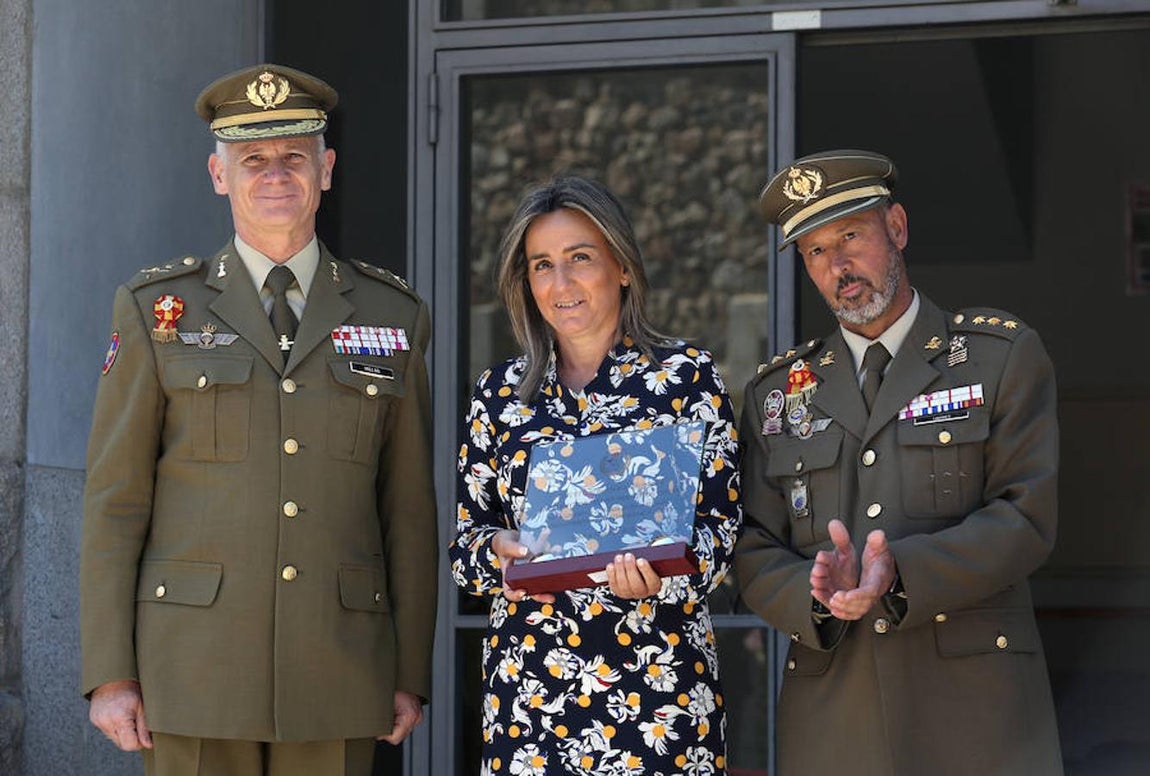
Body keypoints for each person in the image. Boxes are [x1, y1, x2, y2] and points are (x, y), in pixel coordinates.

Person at [79, 64, 437, 776]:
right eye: (252, 159)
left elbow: (408, 510)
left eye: (294, 157)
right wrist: (111, 672)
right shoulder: (158, 311)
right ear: (219, 175)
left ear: (326, 169)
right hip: (192, 669)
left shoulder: (392, 315)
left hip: (335, 666)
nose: (275, 173)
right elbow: (116, 501)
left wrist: (409, 669)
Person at [735, 149, 1063, 775]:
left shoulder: (999, 356)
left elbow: (1027, 517)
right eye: (814, 251)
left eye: (851, 235)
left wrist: (902, 573)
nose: (838, 265)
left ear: (898, 228)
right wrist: (815, 596)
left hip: (976, 710)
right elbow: (752, 544)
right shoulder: (777, 393)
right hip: (835, 716)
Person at [450, 176, 741, 774]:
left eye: (580, 258)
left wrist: (662, 576)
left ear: (622, 267)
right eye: (542, 266)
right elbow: (467, 545)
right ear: (525, 284)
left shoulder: (687, 378)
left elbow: (723, 528)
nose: (561, 283)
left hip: (659, 694)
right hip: (531, 702)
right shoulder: (498, 396)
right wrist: (499, 557)